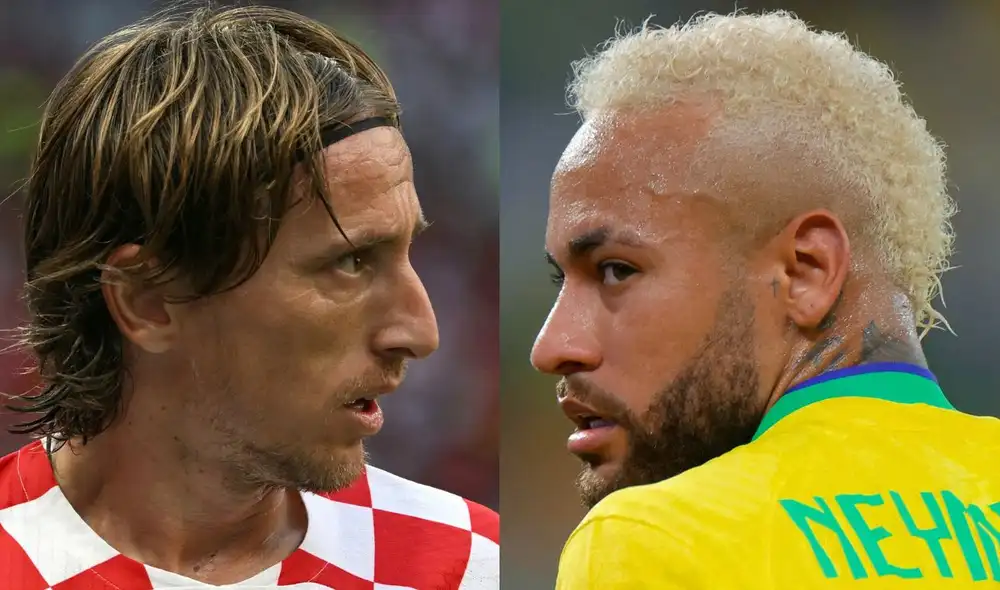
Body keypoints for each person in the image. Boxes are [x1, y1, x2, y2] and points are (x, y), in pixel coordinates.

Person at [0, 6, 498, 589]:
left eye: (408, 251)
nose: (420, 331)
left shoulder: (468, 567)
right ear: (147, 302)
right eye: (349, 261)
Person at [532, 10, 1000, 589]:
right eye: (562, 283)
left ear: (806, 271)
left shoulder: (653, 540)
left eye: (615, 271)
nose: (553, 347)